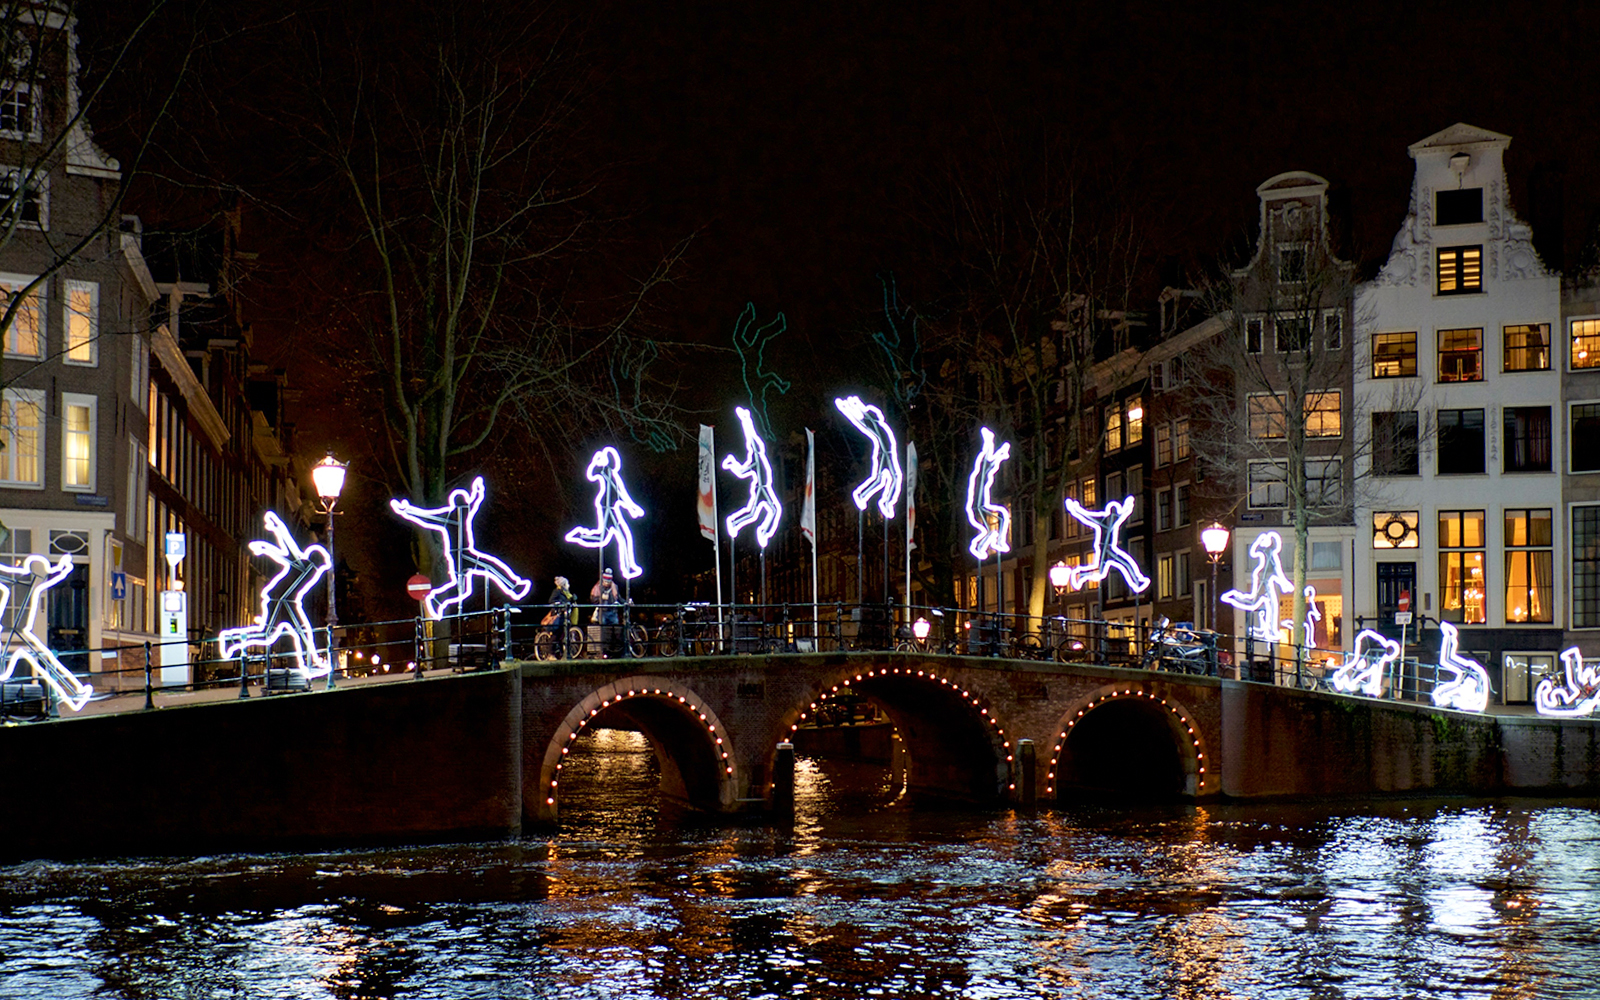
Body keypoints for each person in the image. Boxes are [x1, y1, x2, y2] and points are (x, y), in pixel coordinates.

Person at [591, 568, 622, 658]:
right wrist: (601, 599)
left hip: (613, 611)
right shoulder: (597, 587)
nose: (607, 583)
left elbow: (618, 597)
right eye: (606, 581)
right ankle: (605, 651)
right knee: (604, 632)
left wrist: (624, 602)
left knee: (616, 631)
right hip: (603, 612)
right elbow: (593, 599)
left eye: (609, 581)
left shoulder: (614, 587)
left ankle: (614, 651)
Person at [546, 576, 574, 659]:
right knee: (555, 634)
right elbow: (551, 600)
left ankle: (563, 654)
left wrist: (572, 599)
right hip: (558, 615)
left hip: (564, 615)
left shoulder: (566, 593)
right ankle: (550, 654)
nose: (569, 585)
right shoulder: (557, 591)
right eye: (567, 583)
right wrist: (560, 603)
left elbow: (567, 602)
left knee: (562, 635)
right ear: (564, 584)